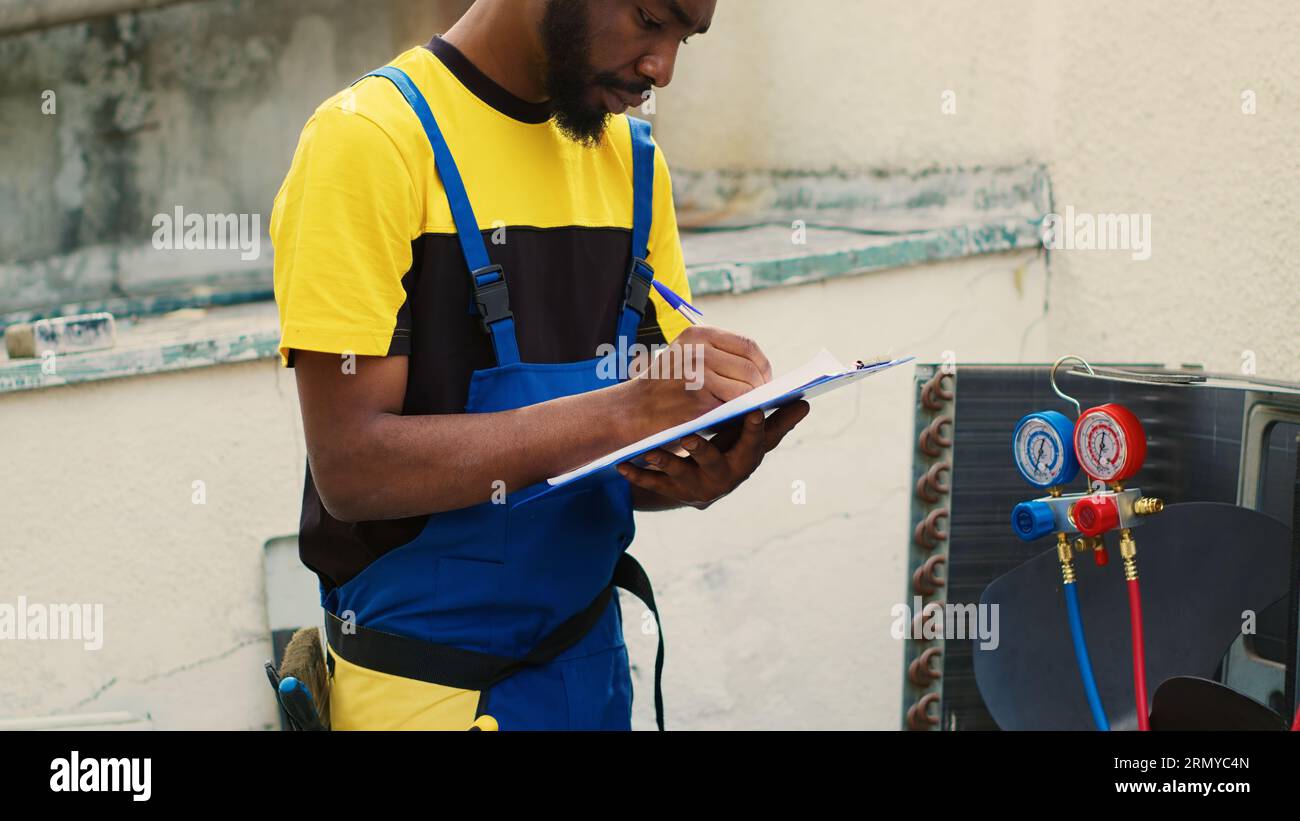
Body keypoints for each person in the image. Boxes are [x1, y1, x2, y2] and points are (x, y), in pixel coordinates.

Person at [269, 0, 808, 730]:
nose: (664, 68)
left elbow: (616, 449)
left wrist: (690, 473)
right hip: (426, 695)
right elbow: (353, 470)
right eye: (651, 19)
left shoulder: (635, 163)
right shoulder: (369, 141)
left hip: (592, 676)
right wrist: (624, 411)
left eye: (687, 36)